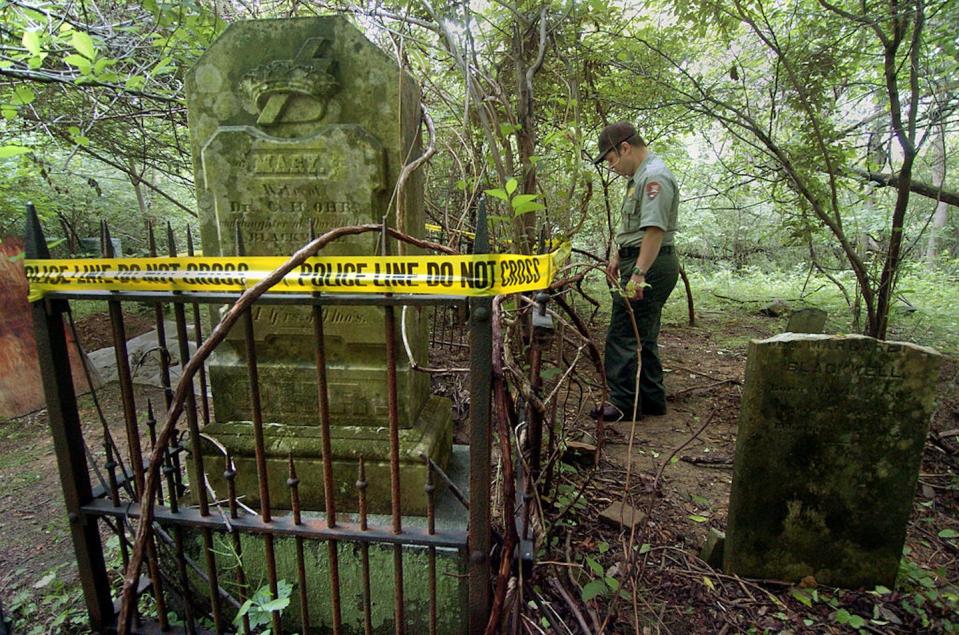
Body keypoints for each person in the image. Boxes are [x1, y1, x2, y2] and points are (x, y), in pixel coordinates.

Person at [591, 122, 680, 422]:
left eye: (611, 159)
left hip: (650, 264)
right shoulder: (639, 177)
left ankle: (623, 404)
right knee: (644, 334)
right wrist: (619, 255)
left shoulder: (654, 177)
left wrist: (639, 272)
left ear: (625, 148)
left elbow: (655, 230)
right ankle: (652, 399)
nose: (612, 167)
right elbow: (636, 228)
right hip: (640, 259)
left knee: (623, 333)